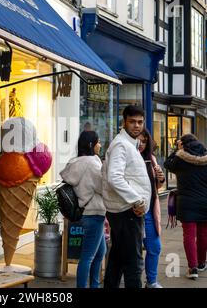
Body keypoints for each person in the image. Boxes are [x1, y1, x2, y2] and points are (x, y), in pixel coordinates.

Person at [164, 134, 207, 279]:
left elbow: (167, 163)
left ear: (183, 144)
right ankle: (201, 263)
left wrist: (176, 150)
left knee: (189, 235)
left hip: (187, 203)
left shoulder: (180, 160)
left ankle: (192, 268)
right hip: (206, 203)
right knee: (203, 234)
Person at [102, 105, 151, 288]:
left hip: (124, 210)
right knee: (133, 263)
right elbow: (114, 178)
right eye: (132, 122)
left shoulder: (129, 144)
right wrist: (137, 200)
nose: (137, 126)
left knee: (118, 259)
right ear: (124, 123)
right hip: (126, 211)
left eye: (140, 122)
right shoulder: (121, 144)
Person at [60, 131, 106, 288]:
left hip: (86, 213)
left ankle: (95, 285)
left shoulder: (77, 161)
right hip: (94, 213)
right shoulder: (92, 164)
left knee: (100, 253)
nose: (100, 145)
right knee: (88, 256)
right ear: (91, 145)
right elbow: (103, 188)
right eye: (98, 142)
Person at [138, 129, 165, 288]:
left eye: (144, 141)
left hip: (149, 212)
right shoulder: (126, 158)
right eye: (138, 141)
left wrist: (160, 179)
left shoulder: (151, 159)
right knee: (131, 251)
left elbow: (156, 187)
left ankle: (151, 281)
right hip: (132, 211)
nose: (141, 144)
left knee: (154, 247)